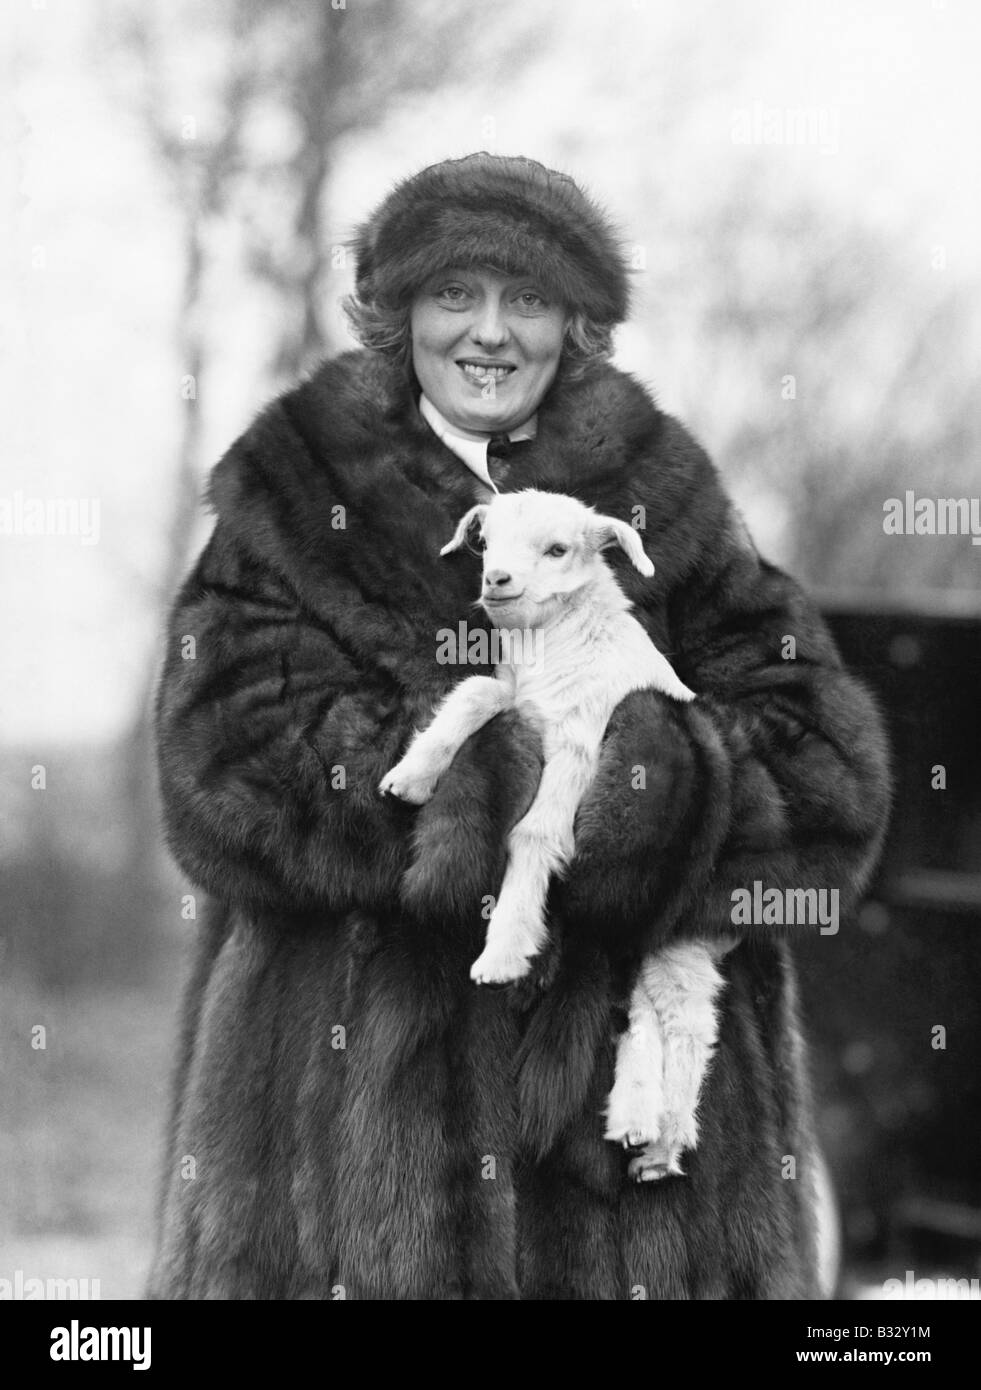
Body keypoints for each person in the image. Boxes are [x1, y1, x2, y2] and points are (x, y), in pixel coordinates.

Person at [147, 153, 890, 1300]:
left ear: (574, 324)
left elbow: (827, 776)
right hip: (349, 1177)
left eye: (528, 300)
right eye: (456, 295)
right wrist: (485, 786)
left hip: (637, 1205)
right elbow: (223, 766)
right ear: (397, 316)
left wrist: (632, 793)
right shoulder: (294, 492)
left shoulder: (660, 495)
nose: (489, 333)